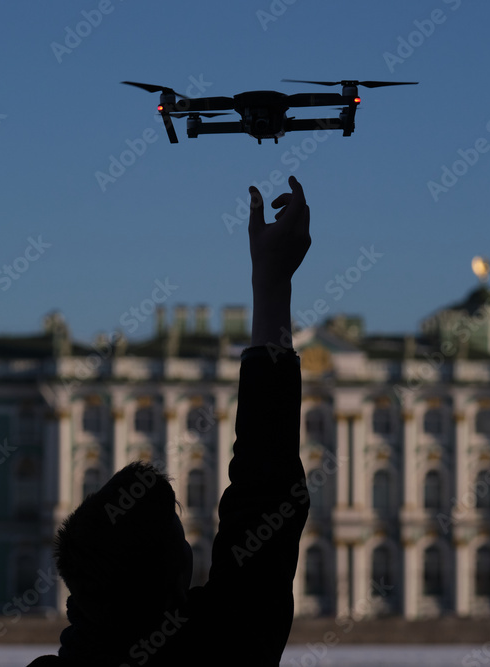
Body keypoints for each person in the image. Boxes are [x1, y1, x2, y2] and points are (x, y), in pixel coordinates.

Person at [28, 175, 312, 666]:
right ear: (175, 570)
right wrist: (271, 282)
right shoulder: (217, 653)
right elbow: (264, 497)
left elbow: (263, 503)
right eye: (178, 535)